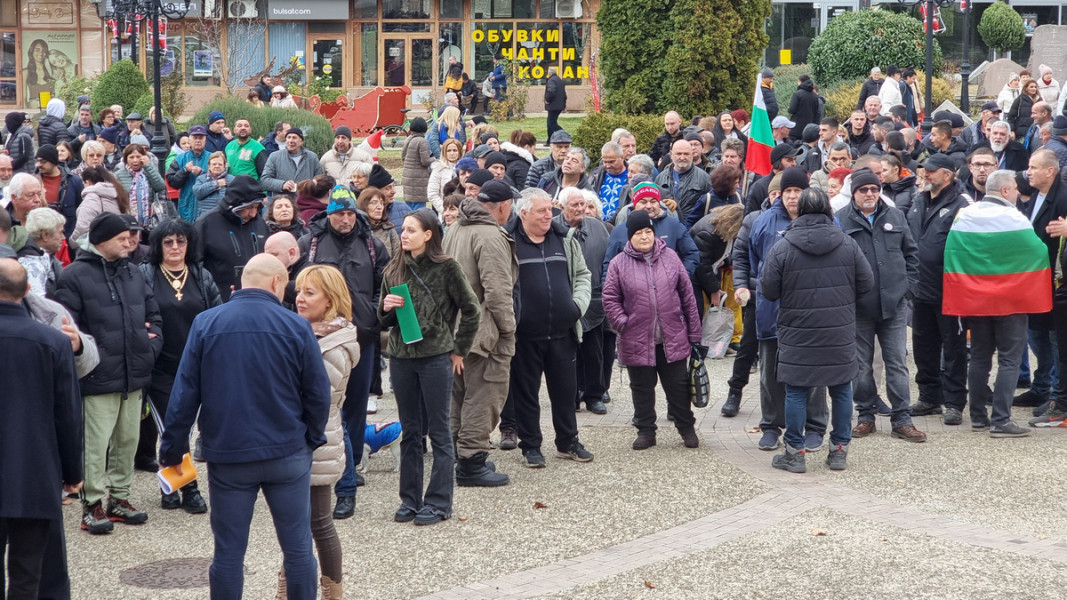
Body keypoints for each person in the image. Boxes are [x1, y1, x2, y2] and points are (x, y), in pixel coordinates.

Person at [159, 253, 330, 599]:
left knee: (228, 553)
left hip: (229, 452)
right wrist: (311, 437)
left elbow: (185, 393)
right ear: (276, 283)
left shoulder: (206, 323)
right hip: (287, 449)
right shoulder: (296, 326)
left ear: (240, 284)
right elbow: (317, 392)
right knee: (297, 548)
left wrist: (173, 448)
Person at [54, 212, 162, 534]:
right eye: (122, 236)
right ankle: (92, 505)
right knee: (95, 446)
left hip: (134, 374)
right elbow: (67, 326)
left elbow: (154, 316)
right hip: (97, 377)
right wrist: (89, 358)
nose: (130, 241)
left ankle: (120, 499)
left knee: (128, 442)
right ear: (102, 240)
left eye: (132, 235)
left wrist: (149, 348)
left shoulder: (134, 273)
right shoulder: (73, 276)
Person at [760, 187, 872, 472]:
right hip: (839, 329)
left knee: (797, 391)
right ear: (827, 209)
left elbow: (768, 291)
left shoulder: (783, 246)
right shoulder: (848, 244)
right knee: (841, 390)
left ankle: (795, 453)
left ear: (800, 211)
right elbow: (867, 283)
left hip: (798, 332)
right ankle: (838, 450)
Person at [379, 209, 480, 524]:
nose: (404, 234)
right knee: (410, 430)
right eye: (403, 229)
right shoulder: (393, 269)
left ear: (429, 234)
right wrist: (384, 308)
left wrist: (458, 349)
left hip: (436, 356)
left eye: (411, 230)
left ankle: (438, 502)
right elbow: (383, 322)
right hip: (401, 357)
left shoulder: (447, 267)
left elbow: (472, 309)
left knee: (438, 430)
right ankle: (409, 499)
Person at [295, 186, 389, 519]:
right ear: (328, 215)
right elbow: (296, 288)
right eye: (339, 214)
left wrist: (375, 316)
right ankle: (328, 474)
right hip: (317, 342)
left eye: (350, 213)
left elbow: (385, 285)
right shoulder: (311, 244)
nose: (345, 219)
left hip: (360, 340)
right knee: (323, 409)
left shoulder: (373, 245)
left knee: (353, 410)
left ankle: (350, 466)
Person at [0, 257, 84, 596]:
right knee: (27, 573)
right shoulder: (54, 342)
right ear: (28, 291)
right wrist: (72, 472)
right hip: (34, 472)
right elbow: (68, 414)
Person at [940, 170, 1040, 439]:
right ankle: (1001, 420)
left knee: (981, 357)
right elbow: (1037, 252)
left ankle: (977, 417)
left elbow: (953, 254)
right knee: (1009, 359)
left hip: (976, 299)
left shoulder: (966, 214)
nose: (1018, 194)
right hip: (1010, 301)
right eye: (1016, 189)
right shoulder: (1015, 218)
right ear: (1006, 191)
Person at [500, 184, 593, 467]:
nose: (548, 216)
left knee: (565, 391)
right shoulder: (508, 242)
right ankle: (531, 446)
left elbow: (582, 275)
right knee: (526, 394)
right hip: (525, 335)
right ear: (524, 213)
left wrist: (576, 306)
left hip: (562, 332)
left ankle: (568, 441)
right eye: (542, 211)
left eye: (550, 211)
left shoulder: (564, 239)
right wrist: (514, 318)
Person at [281, 264, 359, 597]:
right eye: (299, 291)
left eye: (309, 292)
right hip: (301, 442)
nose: (300, 298)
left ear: (329, 301)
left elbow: (316, 398)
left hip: (317, 444)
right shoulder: (305, 332)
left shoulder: (334, 343)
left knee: (319, 525)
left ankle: (330, 593)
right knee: (296, 526)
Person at [834, 169, 926, 442]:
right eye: (864, 190)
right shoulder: (840, 220)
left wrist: (907, 289)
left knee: (897, 363)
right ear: (854, 193)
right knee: (861, 366)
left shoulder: (895, 216)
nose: (870, 194)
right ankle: (865, 415)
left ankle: (902, 419)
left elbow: (912, 254)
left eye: (874, 189)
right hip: (859, 309)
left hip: (894, 305)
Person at [134, 219, 219, 512]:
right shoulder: (145, 275)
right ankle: (190, 488)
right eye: (168, 242)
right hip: (159, 368)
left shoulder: (200, 275)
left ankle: (169, 484)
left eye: (180, 241)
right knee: (174, 428)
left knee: (184, 428)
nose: (174, 247)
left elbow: (215, 315)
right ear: (158, 245)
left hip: (195, 366)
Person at [744, 168, 829, 452]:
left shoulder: (826, 221)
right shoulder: (764, 222)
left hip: (811, 314)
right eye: (787, 191)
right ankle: (771, 425)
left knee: (814, 372)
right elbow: (755, 262)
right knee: (770, 373)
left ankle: (815, 426)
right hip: (771, 312)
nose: (792, 197)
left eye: (797, 191)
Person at [604, 209, 703, 449]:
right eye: (639, 233)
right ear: (630, 236)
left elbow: (687, 296)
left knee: (678, 387)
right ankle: (646, 431)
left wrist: (694, 333)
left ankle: (686, 427)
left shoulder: (670, 257)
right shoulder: (619, 263)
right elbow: (609, 298)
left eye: (648, 231)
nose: (645, 237)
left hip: (672, 335)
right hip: (636, 337)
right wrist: (623, 323)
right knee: (641, 388)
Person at [442, 180, 517, 486]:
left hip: (454, 328)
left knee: (459, 395)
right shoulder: (489, 235)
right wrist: (508, 328)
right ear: (504, 206)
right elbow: (498, 290)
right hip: (483, 331)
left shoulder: (456, 228)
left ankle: (459, 456)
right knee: (484, 394)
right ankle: (472, 462)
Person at [907, 154, 971, 423]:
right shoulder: (918, 200)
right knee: (923, 346)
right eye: (924, 171)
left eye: (932, 172)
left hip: (950, 292)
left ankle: (954, 401)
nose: (926, 175)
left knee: (954, 349)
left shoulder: (963, 204)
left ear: (948, 175)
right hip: (920, 290)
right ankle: (929, 397)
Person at [556, 188, 611, 414]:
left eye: (583, 204)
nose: (580, 209)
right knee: (566, 352)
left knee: (593, 350)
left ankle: (594, 395)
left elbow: (609, 260)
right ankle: (571, 395)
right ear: (561, 208)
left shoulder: (598, 227)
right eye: (575, 205)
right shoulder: (552, 228)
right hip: (563, 300)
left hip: (594, 299)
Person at [196, 175, 268, 301]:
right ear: (235, 204)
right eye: (249, 207)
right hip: (219, 302)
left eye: (257, 207)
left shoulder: (260, 224)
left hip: (258, 299)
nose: (253, 213)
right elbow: (194, 266)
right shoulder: (206, 223)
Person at [34, 144, 84, 239]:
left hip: (67, 237)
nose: (39, 164)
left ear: (53, 161)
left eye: (43, 161)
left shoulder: (74, 181)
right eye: (38, 161)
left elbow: (80, 211)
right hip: (41, 238)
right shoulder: (32, 181)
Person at [71, 165, 129, 246]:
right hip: (117, 243)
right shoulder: (118, 193)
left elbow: (82, 228)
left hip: (97, 246)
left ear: (87, 182)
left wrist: (72, 242)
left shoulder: (92, 198)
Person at [655, 139, 713, 219]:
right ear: (671, 154)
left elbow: (711, 208)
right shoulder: (660, 178)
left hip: (693, 228)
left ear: (692, 155)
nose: (682, 157)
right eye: (678, 154)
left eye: (686, 154)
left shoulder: (704, 178)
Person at [166, 125, 211, 222]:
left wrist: (202, 173)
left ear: (205, 140)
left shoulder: (212, 158)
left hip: (206, 207)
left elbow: (220, 179)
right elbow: (172, 182)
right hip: (186, 207)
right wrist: (184, 171)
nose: (198, 140)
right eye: (195, 138)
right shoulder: (179, 158)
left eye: (201, 138)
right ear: (190, 140)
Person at [18, 207, 65, 296]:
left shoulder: (49, 258)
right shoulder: (31, 265)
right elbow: (37, 305)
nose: (63, 237)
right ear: (45, 235)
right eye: (60, 232)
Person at [115, 144, 166, 227]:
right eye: (131, 157)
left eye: (138, 157)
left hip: (150, 219)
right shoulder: (118, 175)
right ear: (125, 159)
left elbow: (160, 186)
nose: (135, 160)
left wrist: (148, 166)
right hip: (128, 219)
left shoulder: (149, 171)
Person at [262, 128, 323, 196]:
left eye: (294, 138)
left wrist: (307, 186)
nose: (290, 141)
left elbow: (319, 180)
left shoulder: (312, 157)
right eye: (288, 137)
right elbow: (265, 181)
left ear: (301, 141)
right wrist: (282, 184)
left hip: (306, 201)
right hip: (283, 202)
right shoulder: (275, 156)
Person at [401, 118, 434, 210]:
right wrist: (435, 159)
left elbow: (403, 157)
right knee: (419, 208)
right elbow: (425, 161)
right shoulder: (422, 141)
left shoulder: (408, 139)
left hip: (407, 175)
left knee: (409, 207)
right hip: (418, 178)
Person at [193, 152, 234, 218]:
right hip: (205, 218)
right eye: (214, 164)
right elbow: (198, 193)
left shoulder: (231, 179)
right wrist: (216, 184)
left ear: (224, 166)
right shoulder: (201, 179)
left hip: (225, 217)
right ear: (209, 166)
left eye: (220, 164)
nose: (217, 166)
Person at [428, 139, 463, 213]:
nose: (452, 153)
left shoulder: (464, 169)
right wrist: (444, 209)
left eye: (455, 150)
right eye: (449, 151)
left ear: (459, 152)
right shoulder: (438, 169)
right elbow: (432, 193)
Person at [788, 75, 821, 141]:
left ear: (800, 82)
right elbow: (817, 113)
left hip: (796, 128)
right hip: (809, 128)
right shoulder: (815, 96)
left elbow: (792, 109)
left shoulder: (797, 94)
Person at [544, 66, 567, 141]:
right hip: (559, 105)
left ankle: (564, 135)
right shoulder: (559, 80)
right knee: (551, 123)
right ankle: (550, 140)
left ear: (549, 73)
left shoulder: (551, 80)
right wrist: (564, 105)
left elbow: (551, 91)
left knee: (551, 123)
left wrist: (547, 99)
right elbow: (564, 94)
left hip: (553, 105)